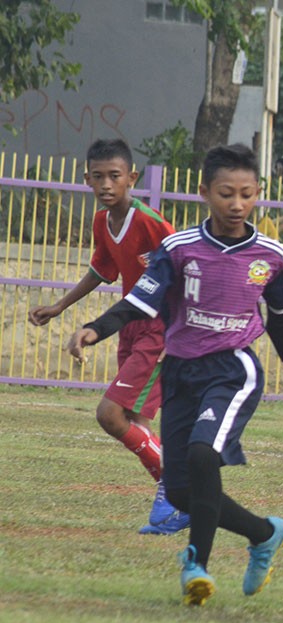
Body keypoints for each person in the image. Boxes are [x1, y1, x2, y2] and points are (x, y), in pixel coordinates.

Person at [66, 144, 283, 606]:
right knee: (184, 490)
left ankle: (195, 565)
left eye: (247, 194)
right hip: (181, 371)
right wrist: (96, 328)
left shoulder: (270, 255)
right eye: (226, 193)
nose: (236, 204)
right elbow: (141, 300)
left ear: (258, 194)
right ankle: (263, 533)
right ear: (205, 192)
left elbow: (282, 319)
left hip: (233, 369)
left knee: (205, 455)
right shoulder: (178, 248)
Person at [28, 138, 189, 535]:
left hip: (158, 327)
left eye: (114, 176)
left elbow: (183, 267)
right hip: (128, 325)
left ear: (131, 178)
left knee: (110, 415)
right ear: (86, 179)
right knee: (135, 419)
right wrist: (60, 307)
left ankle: (179, 484)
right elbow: (103, 270)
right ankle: (174, 509)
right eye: (98, 177)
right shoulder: (103, 222)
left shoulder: (151, 223)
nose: (106, 184)